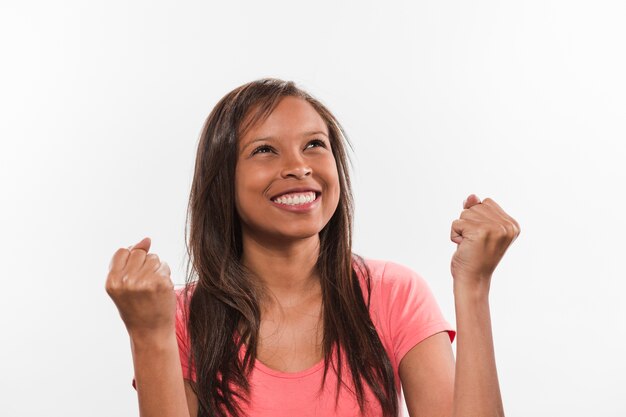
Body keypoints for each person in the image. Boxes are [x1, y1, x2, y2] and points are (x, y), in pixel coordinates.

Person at [105, 78, 520, 417]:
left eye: (314, 145)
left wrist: (474, 285)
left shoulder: (394, 293)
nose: (299, 166)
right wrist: (148, 333)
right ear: (222, 181)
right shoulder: (180, 317)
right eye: (265, 150)